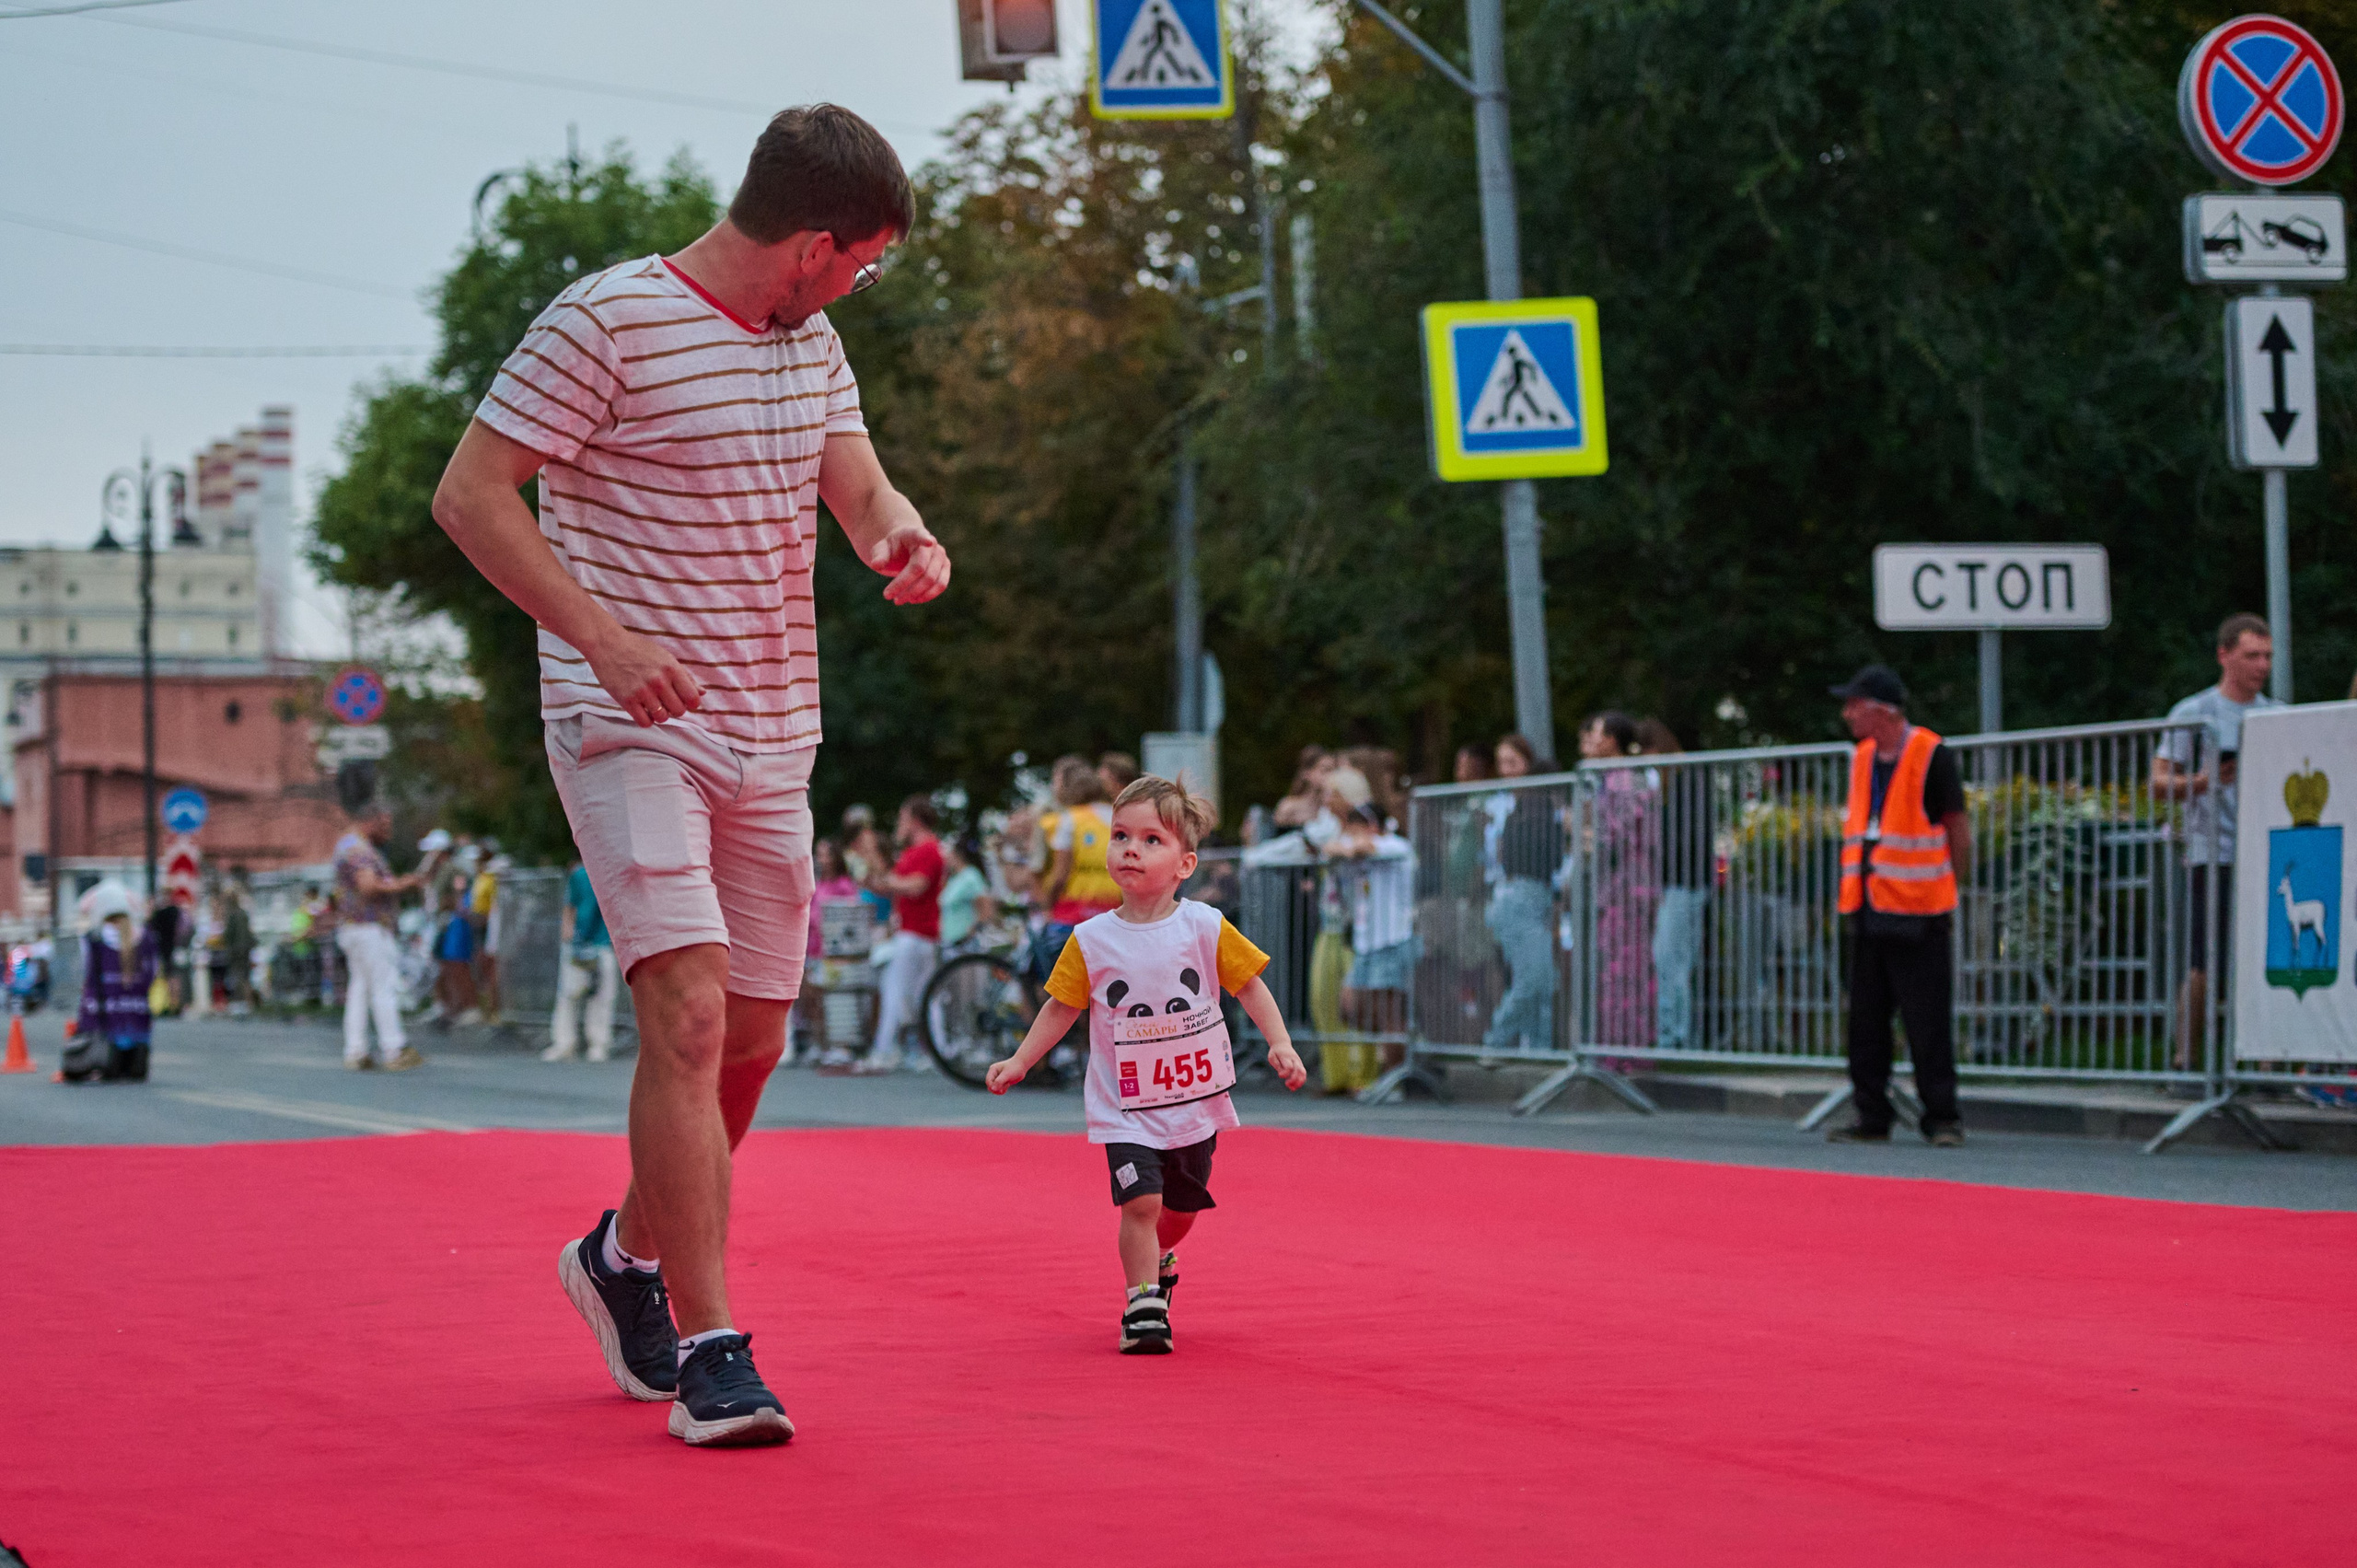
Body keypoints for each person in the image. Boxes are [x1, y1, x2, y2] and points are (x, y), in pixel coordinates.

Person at [432, 103, 946, 1446]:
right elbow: (472, 494)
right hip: (626, 721)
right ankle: (715, 1347)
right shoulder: (603, 323)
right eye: (864, 264)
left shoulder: (810, 342)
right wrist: (602, 636)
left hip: (775, 729)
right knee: (692, 1014)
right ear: (813, 244)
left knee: (755, 1040)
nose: (861, 288)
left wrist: (904, 538)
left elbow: (863, 492)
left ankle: (620, 1256)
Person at [984, 775, 1307, 1354]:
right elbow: (1061, 1007)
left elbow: (1250, 986)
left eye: (1150, 839)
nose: (1130, 848)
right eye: (1120, 836)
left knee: (1179, 1211)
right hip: (1125, 1103)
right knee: (1141, 1202)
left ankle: (1161, 1256)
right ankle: (1143, 1302)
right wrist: (1021, 1060)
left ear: (1185, 864)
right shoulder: (1091, 939)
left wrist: (1280, 1043)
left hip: (1194, 1099)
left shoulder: (1205, 927)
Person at [1826, 665, 1971, 1147]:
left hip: (1920, 910)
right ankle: (1872, 1115)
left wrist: (1954, 887)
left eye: (1854, 703)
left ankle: (1943, 1117)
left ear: (1882, 710)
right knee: (1865, 1019)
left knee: (1926, 1018)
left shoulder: (1931, 754)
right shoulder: (1862, 757)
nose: (1846, 713)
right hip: (1868, 906)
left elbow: (1956, 826)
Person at [2152, 613, 2280, 1082]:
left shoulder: (2279, 714)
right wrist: (2205, 781)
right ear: (2225, 655)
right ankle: (2186, 1059)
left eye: (2267, 656)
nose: (2261, 665)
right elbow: (2158, 781)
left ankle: (2269, 1062)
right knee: (2205, 960)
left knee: (2267, 957)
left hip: (2267, 853)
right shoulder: (2195, 713)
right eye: (2252, 655)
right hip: (2214, 850)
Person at [1579, 712, 1657, 1050]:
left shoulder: (1624, 779)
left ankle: (1625, 1050)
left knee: (1624, 971)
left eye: (1596, 732)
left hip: (1626, 891)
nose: (1590, 740)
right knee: (1619, 971)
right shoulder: (1610, 778)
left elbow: (1616, 835)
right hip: (1619, 890)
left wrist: (1584, 835)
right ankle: (1619, 1047)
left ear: (1613, 740)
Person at [333, 803, 431, 1072]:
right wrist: (403, 884)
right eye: (385, 825)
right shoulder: (360, 849)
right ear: (371, 821)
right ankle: (393, 1048)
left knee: (360, 989)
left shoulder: (345, 845)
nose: (388, 831)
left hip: (353, 928)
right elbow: (368, 887)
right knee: (382, 986)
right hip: (369, 927)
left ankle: (356, 1050)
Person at [1483, 733, 1564, 1052]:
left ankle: (1539, 1049)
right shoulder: (1533, 815)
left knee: (1542, 981)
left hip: (1528, 900)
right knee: (1532, 980)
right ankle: (1496, 1042)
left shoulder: (1528, 811)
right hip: (1521, 901)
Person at [1639, 719, 1713, 1052]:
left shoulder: (1687, 780)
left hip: (1684, 881)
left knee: (1669, 958)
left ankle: (1674, 1036)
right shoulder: (1674, 783)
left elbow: (1688, 835)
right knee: (1676, 960)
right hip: (1679, 881)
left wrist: (1658, 855)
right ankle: (1677, 1034)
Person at [859, 795, 946, 1073]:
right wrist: (872, 876)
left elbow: (916, 886)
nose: (900, 823)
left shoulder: (929, 849)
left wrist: (884, 879)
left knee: (896, 991)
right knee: (923, 995)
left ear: (915, 820)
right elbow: (893, 885)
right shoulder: (913, 852)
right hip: (913, 933)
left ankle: (885, 1050)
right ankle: (936, 1050)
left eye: (903, 817)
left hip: (917, 933)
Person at [1029, 755, 1122, 981]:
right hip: (1114, 913)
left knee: (1047, 980)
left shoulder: (1069, 820)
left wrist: (1046, 906)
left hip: (1073, 915)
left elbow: (1060, 875)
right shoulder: (1116, 816)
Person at [61, 882, 157, 1083]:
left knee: (107, 1071)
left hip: (104, 1024)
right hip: (138, 1021)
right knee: (134, 1073)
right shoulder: (145, 938)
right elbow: (153, 973)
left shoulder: (94, 940)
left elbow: (80, 972)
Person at [547, 859, 621, 1063]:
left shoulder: (614, 872)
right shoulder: (579, 875)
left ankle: (598, 1043)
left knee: (602, 996)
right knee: (569, 993)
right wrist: (567, 937)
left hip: (603, 944)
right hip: (579, 944)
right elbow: (569, 907)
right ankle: (564, 1042)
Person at [937, 834, 997, 952]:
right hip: (951, 945)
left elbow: (986, 909)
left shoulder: (971, 876)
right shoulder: (954, 878)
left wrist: (971, 932)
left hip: (966, 947)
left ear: (957, 854)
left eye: (948, 853)